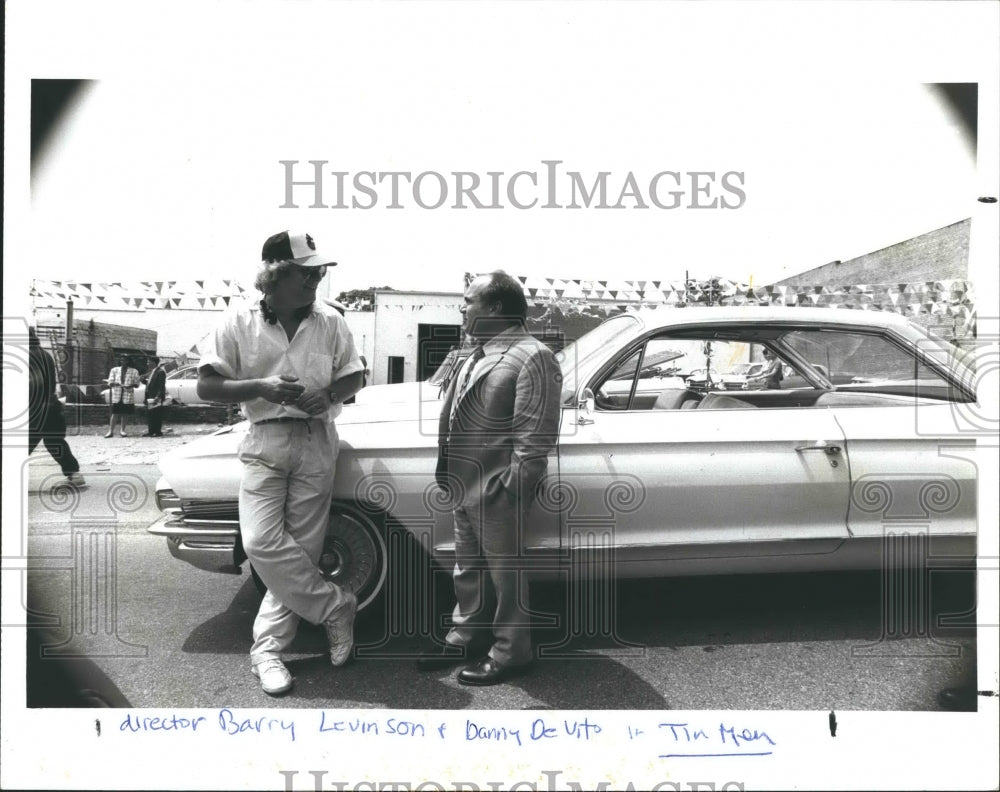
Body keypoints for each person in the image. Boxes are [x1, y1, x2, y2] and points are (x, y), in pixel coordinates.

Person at [196, 230, 365, 696]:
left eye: (318, 273)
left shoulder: (330, 320)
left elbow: (356, 374)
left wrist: (328, 394)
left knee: (303, 551)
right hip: (264, 439)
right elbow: (207, 387)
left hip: (316, 439)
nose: (316, 281)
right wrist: (260, 388)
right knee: (261, 543)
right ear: (273, 276)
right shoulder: (236, 319)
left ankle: (266, 651)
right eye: (305, 273)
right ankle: (335, 606)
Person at [418, 271, 562, 685]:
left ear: (496, 307)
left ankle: (511, 651)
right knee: (468, 569)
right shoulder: (476, 352)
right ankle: (466, 634)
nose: (462, 308)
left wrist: (512, 488)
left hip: (498, 489)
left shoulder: (533, 355)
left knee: (505, 575)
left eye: (469, 301)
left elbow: (535, 437)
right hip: (463, 483)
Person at [28, 327, 86, 488]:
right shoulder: (44, 354)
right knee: (54, 442)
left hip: (35, 408)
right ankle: (74, 474)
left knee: (22, 444)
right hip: (51, 406)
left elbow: (32, 383)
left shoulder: (28, 355)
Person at [105, 354, 140, 437]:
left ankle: (122, 430)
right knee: (114, 413)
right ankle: (110, 431)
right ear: (120, 361)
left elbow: (137, 383)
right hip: (117, 394)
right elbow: (109, 382)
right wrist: (114, 383)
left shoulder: (134, 371)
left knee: (125, 413)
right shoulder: (114, 370)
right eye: (122, 360)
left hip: (127, 394)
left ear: (128, 361)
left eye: (125, 360)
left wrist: (130, 385)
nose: (123, 362)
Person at [143, 359, 170, 437]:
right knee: (151, 414)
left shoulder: (160, 372)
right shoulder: (152, 371)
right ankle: (151, 431)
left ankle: (157, 431)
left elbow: (161, 386)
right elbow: (151, 384)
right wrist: (144, 381)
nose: (147, 363)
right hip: (150, 395)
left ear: (153, 363)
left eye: (148, 362)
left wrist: (158, 396)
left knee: (157, 414)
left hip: (156, 396)